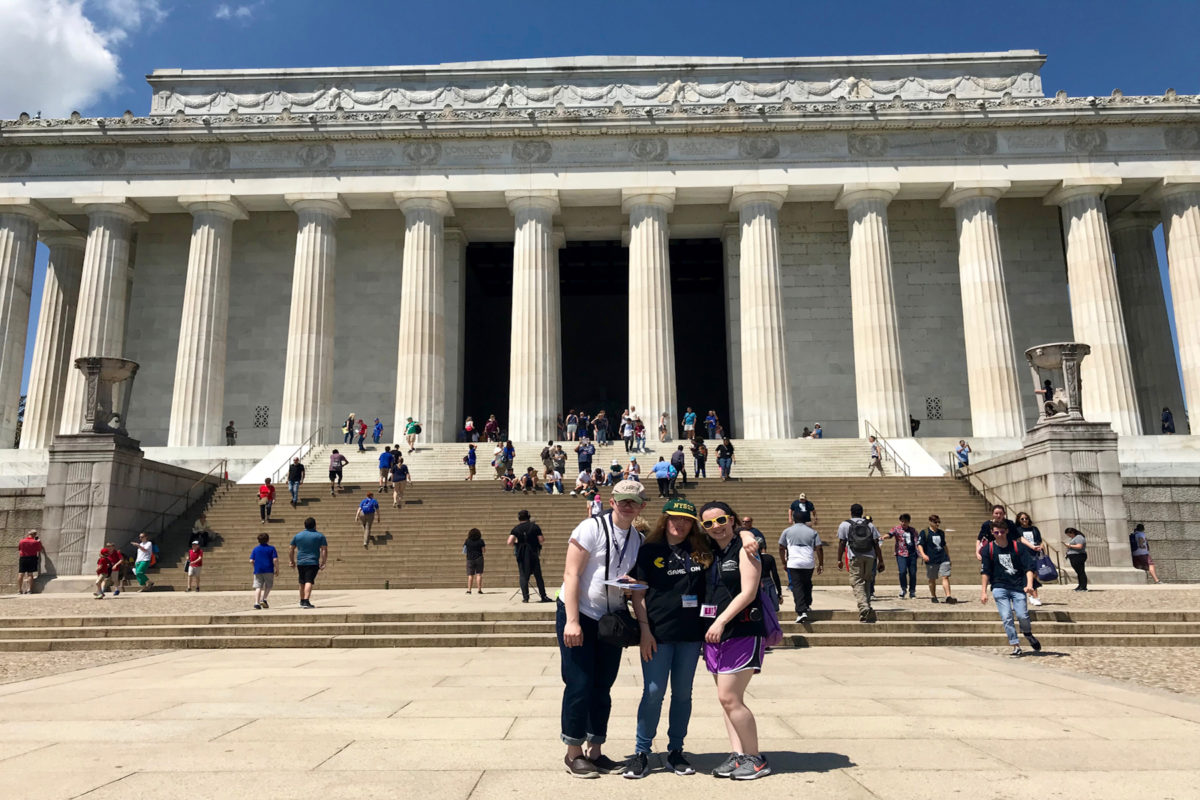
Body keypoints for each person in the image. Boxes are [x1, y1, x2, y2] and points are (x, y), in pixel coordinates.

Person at [557, 479, 647, 778]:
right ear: (611, 502)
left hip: (611, 618)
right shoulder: (590, 528)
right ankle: (573, 753)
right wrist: (572, 620)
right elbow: (571, 573)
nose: (626, 505)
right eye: (622, 500)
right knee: (580, 682)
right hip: (580, 612)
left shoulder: (636, 538)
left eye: (633, 501)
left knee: (603, 686)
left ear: (641, 507)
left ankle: (595, 750)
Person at [622, 498, 710, 779]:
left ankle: (676, 750)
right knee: (653, 692)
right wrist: (645, 630)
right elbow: (639, 595)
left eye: (686, 519)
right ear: (665, 520)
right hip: (658, 633)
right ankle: (641, 751)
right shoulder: (650, 550)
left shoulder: (701, 550)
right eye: (674, 518)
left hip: (690, 634)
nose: (680, 524)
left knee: (683, 694)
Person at [698, 501, 771, 780]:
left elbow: (749, 592)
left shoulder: (745, 548)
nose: (716, 527)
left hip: (741, 631)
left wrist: (745, 534)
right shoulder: (710, 552)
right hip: (715, 634)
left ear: (732, 519)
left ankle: (755, 758)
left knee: (730, 697)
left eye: (721, 520)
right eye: (708, 523)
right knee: (727, 700)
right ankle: (738, 754)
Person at [980, 521, 1042, 657]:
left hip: (1018, 586)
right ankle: (1015, 645)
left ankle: (1027, 633)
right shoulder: (988, 549)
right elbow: (985, 572)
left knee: (1022, 616)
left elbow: (1029, 567)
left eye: (1002, 532)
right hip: (999, 586)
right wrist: (984, 592)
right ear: (992, 533)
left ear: (1007, 531)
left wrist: (1029, 585)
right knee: (1006, 616)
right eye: (996, 532)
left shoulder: (1018, 547)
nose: (999, 535)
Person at [837, 504, 884, 623]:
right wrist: (881, 560)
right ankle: (867, 606)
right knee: (867, 580)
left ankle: (864, 607)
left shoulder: (845, 524)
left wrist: (839, 559)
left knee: (856, 581)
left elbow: (842, 542)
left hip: (855, 556)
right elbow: (876, 543)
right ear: (862, 513)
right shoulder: (870, 524)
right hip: (870, 556)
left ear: (851, 512)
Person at [779, 515, 823, 622]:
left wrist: (784, 561)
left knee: (797, 586)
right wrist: (821, 563)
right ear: (805, 521)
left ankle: (801, 611)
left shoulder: (787, 531)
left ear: (793, 520)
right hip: (808, 562)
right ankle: (807, 604)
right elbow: (819, 548)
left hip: (794, 562)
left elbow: (781, 547)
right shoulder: (812, 532)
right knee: (807, 583)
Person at [508, 510, 551, 602]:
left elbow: (509, 542)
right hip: (533, 553)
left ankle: (525, 597)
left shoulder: (516, 529)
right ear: (529, 517)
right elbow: (541, 540)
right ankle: (543, 596)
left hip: (522, 554)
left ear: (519, 518)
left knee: (523, 576)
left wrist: (517, 543)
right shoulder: (535, 527)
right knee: (538, 576)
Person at [289, 517, 327, 608]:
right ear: (314, 525)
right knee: (309, 581)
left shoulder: (298, 536)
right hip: (312, 561)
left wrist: (292, 561)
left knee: (302, 581)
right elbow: (324, 550)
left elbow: (291, 549)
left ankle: (302, 600)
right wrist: (323, 561)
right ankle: (306, 601)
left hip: (300, 562)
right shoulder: (320, 536)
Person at [917, 514, 956, 604]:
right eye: (935, 522)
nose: (937, 524)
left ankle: (948, 596)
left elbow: (944, 545)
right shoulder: (924, 532)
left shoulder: (941, 533)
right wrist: (923, 555)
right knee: (932, 578)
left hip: (942, 557)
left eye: (939, 522)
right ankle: (933, 596)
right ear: (930, 522)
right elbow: (920, 545)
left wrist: (948, 557)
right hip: (931, 558)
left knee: (945, 576)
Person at [884, 514, 920, 599]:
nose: (904, 523)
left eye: (906, 521)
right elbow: (890, 534)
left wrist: (919, 553)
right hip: (901, 554)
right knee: (902, 571)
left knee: (913, 573)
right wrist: (883, 537)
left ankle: (912, 591)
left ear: (908, 522)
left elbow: (917, 542)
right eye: (902, 521)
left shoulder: (913, 530)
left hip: (912, 554)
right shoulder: (897, 529)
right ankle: (903, 589)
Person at [1014, 512, 1046, 606]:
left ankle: (1030, 594)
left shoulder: (1034, 529)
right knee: (1030, 574)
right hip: (1024, 554)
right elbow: (1018, 541)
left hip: (1036, 553)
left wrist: (1041, 548)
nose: (1025, 520)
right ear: (1019, 520)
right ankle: (1034, 596)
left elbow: (1040, 541)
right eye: (1022, 519)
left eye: (1026, 518)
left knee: (1035, 575)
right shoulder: (1017, 530)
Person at [17, 530, 43, 595]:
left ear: (28, 534)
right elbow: (39, 549)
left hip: (23, 558)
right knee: (30, 574)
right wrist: (39, 542)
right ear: (34, 535)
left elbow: (19, 549)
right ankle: (29, 590)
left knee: (21, 574)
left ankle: (20, 590)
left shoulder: (22, 541)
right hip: (32, 558)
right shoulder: (35, 542)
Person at [1064, 527, 1087, 591]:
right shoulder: (1074, 538)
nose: (1068, 536)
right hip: (1073, 556)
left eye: (1069, 534)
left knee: (1081, 571)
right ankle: (1080, 585)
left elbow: (1079, 546)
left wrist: (1069, 546)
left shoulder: (1079, 537)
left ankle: (1083, 586)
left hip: (1078, 555)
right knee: (1078, 572)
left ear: (1072, 533)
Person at [464, 528, 486, 594]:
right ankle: (479, 589)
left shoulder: (467, 541)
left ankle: (469, 590)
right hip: (479, 558)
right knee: (479, 574)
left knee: (470, 575)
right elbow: (484, 550)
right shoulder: (481, 541)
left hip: (470, 558)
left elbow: (464, 550)